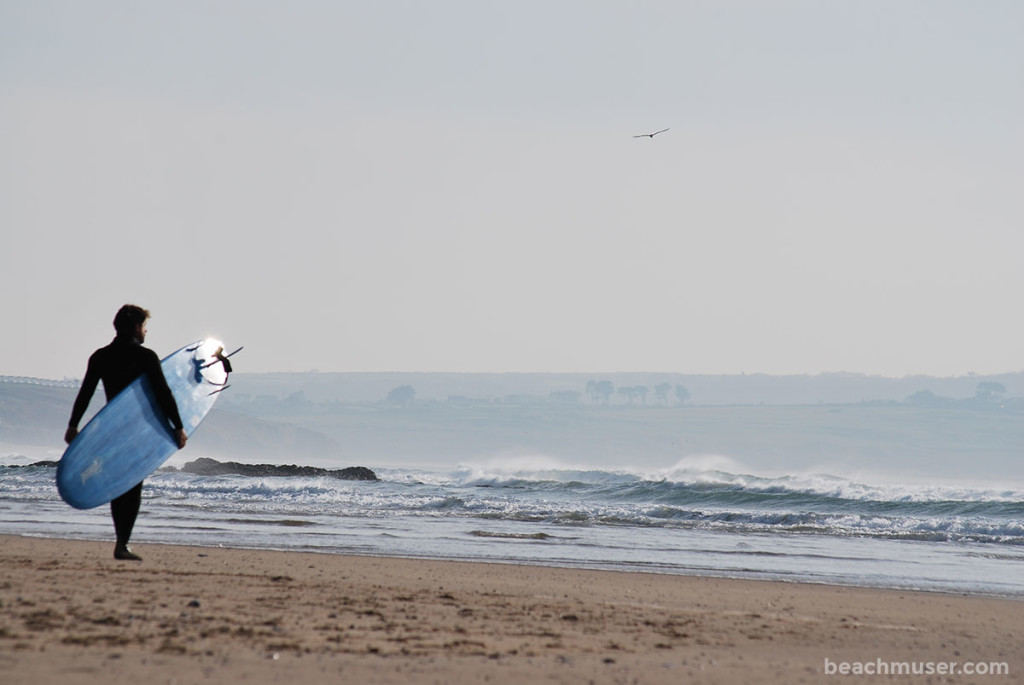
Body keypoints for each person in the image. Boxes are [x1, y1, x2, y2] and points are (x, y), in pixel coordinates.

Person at [65, 304, 188, 561]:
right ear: (135, 327)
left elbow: (85, 392)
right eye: (144, 327)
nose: (145, 332)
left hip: (111, 433)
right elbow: (163, 394)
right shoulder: (145, 357)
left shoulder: (100, 357)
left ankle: (121, 543)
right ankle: (122, 544)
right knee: (131, 486)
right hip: (138, 433)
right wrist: (177, 426)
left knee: (117, 486)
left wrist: (73, 425)